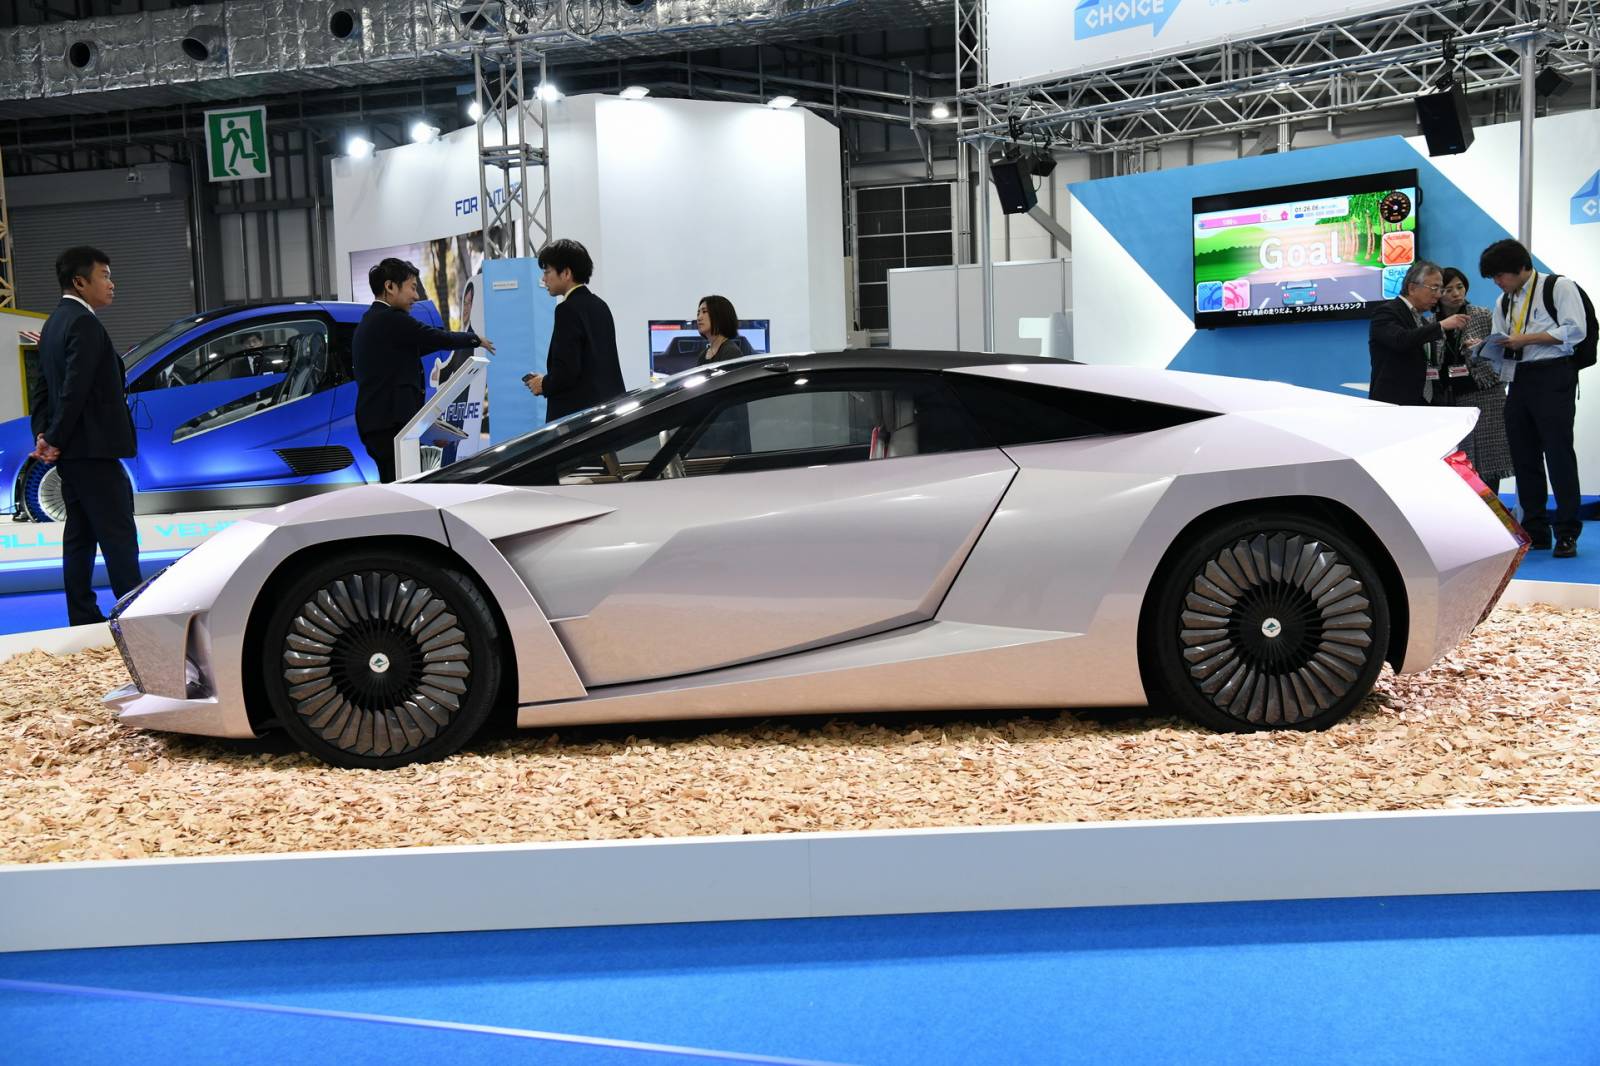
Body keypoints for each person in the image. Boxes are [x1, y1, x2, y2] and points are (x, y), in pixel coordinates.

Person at [29, 246, 142, 627]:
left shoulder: (54, 323)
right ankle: (133, 617)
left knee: (80, 535)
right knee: (118, 535)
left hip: (74, 454)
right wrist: (55, 437)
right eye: (104, 275)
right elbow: (74, 390)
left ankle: (82, 614)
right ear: (80, 282)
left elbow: (43, 386)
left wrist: (44, 434)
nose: (112, 284)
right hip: (93, 450)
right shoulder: (83, 324)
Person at [1480, 238, 1589, 558]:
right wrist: (1489, 347)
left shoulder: (1558, 287)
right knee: (1523, 456)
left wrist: (1525, 339)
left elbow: (1575, 330)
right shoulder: (1504, 301)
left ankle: (1567, 532)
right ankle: (1536, 530)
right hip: (1519, 377)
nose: (1497, 282)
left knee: (1558, 453)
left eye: (1500, 275)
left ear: (1520, 268)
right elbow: (1504, 339)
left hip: (1554, 374)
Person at [353, 257, 493, 483]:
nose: (416, 296)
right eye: (412, 287)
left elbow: (421, 345)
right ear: (390, 287)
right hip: (390, 428)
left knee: (394, 485)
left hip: (378, 426)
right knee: (402, 489)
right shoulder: (390, 319)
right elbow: (435, 337)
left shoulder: (371, 322)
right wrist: (473, 339)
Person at [1429, 267, 1511, 493]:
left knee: (1489, 460)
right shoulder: (1431, 323)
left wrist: (1479, 347)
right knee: (1456, 463)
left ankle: (1491, 508)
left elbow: (1501, 351)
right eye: (1448, 289)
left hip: (1486, 394)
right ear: (1438, 293)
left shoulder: (1482, 315)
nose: (1456, 293)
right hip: (1448, 400)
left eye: (1460, 287)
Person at [524, 239, 624, 422]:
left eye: (547, 272)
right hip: (608, 413)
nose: (544, 279)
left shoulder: (566, 310)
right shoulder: (601, 305)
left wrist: (543, 384)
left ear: (566, 273)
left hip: (578, 420)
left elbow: (567, 372)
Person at [1368, 260, 1468, 406]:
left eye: (1440, 289)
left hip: (1426, 403)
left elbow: (1430, 365)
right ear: (1412, 288)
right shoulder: (1386, 312)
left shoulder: (1424, 321)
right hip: (1395, 404)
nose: (1438, 295)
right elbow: (1400, 340)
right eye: (1434, 288)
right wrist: (1441, 325)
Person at [695, 295, 747, 364]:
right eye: (698, 313)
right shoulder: (703, 355)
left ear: (720, 315)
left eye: (704, 311)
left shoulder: (731, 352)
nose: (699, 318)